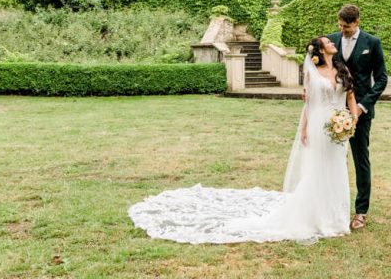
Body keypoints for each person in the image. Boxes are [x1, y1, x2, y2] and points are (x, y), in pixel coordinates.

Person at [128, 36, 362, 244]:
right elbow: (309, 103)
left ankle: (337, 218)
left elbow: (350, 95)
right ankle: (318, 218)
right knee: (318, 171)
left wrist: (352, 119)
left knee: (337, 169)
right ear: (320, 51)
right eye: (328, 43)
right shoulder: (312, 74)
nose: (333, 43)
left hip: (339, 127)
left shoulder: (342, 70)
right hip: (319, 126)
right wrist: (304, 130)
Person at [328, 4, 387, 230]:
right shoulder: (332, 40)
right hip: (333, 109)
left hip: (360, 112)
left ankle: (361, 211)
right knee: (332, 159)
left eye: (347, 27)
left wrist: (362, 106)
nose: (343, 30)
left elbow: (381, 79)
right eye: (341, 25)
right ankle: (333, 206)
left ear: (357, 23)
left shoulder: (372, 43)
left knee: (360, 159)